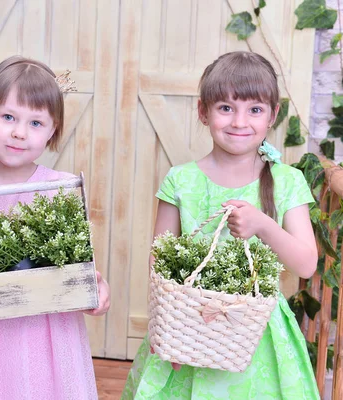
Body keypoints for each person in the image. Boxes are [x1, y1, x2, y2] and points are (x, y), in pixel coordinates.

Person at [122, 51, 319, 399]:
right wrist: (165, 330)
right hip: (187, 326)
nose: (239, 122)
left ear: (272, 115)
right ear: (203, 111)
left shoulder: (288, 182)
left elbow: (305, 263)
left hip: (258, 337)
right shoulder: (180, 181)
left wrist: (263, 225)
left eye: (254, 110)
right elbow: (160, 265)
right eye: (226, 108)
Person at [0, 55, 110, 400]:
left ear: (52, 131)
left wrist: (95, 289)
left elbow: (74, 263)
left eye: (35, 123)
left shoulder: (61, 188)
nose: (19, 132)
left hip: (49, 336)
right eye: (8, 117)